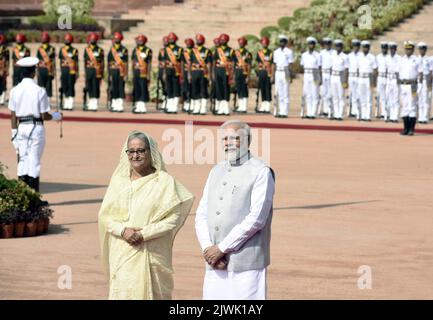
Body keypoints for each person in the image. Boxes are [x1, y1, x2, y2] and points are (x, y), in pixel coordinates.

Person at [98, 131, 194, 299]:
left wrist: (143, 234)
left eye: (141, 151)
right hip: (123, 252)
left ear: (151, 152)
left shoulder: (164, 181)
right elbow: (105, 217)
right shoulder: (119, 181)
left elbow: (173, 218)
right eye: (131, 151)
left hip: (151, 254)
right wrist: (123, 231)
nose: (136, 155)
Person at [195, 119, 275, 300]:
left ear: (247, 141)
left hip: (246, 262)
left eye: (235, 138)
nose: (228, 143)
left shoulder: (261, 171)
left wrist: (222, 248)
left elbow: (257, 219)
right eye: (225, 139)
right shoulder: (216, 170)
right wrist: (209, 249)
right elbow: (201, 214)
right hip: (215, 262)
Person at [8, 57, 62, 192]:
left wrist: (14, 133)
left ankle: (22, 195)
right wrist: (57, 116)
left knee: (23, 160)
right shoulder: (39, 91)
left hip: (21, 127)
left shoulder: (14, 91)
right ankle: (34, 196)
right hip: (36, 126)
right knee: (34, 161)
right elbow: (44, 115)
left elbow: (13, 115)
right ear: (34, 72)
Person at [399, 41, 422, 135]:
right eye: (406, 49)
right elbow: (398, 72)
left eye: (410, 49)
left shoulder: (416, 60)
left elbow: (420, 74)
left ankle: (411, 129)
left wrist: (419, 85)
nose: (408, 51)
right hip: (403, 84)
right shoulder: (401, 59)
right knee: (404, 106)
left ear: (413, 49)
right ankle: (405, 128)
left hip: (412, 85)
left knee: (412, 106)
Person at [213, 33, 235, 116]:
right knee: (219, 89)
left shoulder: (231, 50)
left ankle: (226, 108)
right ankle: (220, 108)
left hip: (227, 72)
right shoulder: (217, 50)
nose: (221, 41)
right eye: (221, 39)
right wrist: (213, 73)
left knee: (226, 88)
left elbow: (233, 63)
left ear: (226, 40)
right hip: (218, 70)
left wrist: (232, 74)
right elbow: (214, 62)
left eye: (223, 40)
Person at [190, 33, 212, 115]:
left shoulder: (206, 51)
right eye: (197, 39)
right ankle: (196, 108)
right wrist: (189, 74)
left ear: (202, 41)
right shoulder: (193, 51)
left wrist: (209, 74)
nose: (198, 41)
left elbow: (209, 63)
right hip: (194, 72)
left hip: (203, 73)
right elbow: (190, 63)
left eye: (199, 39)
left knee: (203, 90)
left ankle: (203, 108)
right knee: (195, 90)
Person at [300, 36, 321, 119]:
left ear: (314, 45)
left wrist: (320, 78)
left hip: (315, 73)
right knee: (308, 94)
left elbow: (319, 67)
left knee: (315, 94)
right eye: (309, 44)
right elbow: (302, 66)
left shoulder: (318, 55)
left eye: (312, 44)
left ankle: (313, 113)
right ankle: (309, 112)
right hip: (307, 74)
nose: (310, 45)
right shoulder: (304, 55)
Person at [272, 34, 293, 118]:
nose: (282, 43)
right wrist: (273, 76)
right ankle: (280, 111)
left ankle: (285, 112)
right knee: (279, 92)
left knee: (285, 92)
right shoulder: (276, 52)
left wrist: (290, 76)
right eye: (281, 41)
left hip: (286, 71)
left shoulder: (289, 52)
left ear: (286, 42)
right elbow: (274, 64)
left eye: (283, 42)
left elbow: (290, 65)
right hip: (278, 72)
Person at [108, 32, 128, 112]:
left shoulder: (124, 49)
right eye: (115, 38)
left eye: (118, 38)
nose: (116, 39)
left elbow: (126, 62)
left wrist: (126, 74)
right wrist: (109, 74)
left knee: (120, 87)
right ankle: (114, 103)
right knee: (113, 87)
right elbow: (109, 62)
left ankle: (120, 104)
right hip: (113, 71)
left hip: (121, 71)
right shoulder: (111, 49)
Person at [163, 32, 183, 113]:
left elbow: (181, 62)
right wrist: (164, 72)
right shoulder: (166, 49)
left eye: (172, 38)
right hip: (168, 70)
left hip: (176, 71)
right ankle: (169, 106)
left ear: (175, 39)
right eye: (170, 38)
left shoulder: (179, 49)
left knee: (176, 88)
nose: (171, 39)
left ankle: (175, 106)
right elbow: (164, 62)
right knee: (169, 88)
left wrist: (181, 73)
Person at [131, 34, 152, 114]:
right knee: (137, 89)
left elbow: (149, 63)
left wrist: (148, 75)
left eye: (141, 40)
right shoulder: (135, 50)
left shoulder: (147, 50)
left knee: (143, 89)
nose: (139, 41)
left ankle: (142, 106)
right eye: (138, 40)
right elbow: (133, 62)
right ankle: (138, 106)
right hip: (136, 72)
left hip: (143, 73)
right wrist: (132, 73)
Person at [84, 32, 104, 111]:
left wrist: (102, 72)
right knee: (89, 86)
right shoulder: (87, 49)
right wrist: (85, 71)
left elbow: (102, 62)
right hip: (89, 70)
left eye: (93, 39)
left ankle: (95, 103)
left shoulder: (100, 50)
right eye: (91, 39)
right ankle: (90, 102)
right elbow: (85, 61)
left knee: (96, 86)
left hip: (97, 70)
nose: (92, 40)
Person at [357, 40, 377, 121]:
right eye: (364, 47)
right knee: (362, 97)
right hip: (361, 78)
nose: (365, 49)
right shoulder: (359, 56)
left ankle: (368, 116)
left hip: (368, 78)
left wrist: (374, 82)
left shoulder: (372, 57)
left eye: (366, 47)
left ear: (369, 48)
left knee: (369, 97)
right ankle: (362, 115)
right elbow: (358, 69)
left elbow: (375, 70)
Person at [59, 33, 79, 111]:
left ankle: (70, 103)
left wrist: (77, 72)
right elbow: (61, 61)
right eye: (65, 39)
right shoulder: (62, 50)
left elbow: (76, 62)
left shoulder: (74, 50)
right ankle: (66, 102)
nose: (66, 40)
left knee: (71, 86)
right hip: (64, 70)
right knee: (64, 86)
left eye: (68, 39)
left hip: (72, 71)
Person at [330, 39, 348, 120]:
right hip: (333, 76)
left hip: (340, 76)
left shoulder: (344, 56)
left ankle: (340, 114)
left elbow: (346, 69)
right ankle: (336, 113)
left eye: (339, 46)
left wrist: (345, 81)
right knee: (334, 96)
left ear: (342, 47)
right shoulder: (332, 55)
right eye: (336, 46)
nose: (338, 48)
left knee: (341, 96)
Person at [233, 37, 252, 113]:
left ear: (244, 44)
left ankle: (244, 107)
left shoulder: (248, 53)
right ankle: (240, 106)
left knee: (244, 90)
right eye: (240, 43)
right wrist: (233, 75)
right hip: (237, 72)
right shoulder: (235, 52)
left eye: (242, 43)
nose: (241, 44)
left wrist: (248, 76)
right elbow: (234, 64)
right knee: (239, 89)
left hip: (244, 73)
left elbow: (250, 65)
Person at [255, 37, 273, 114]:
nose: (264, 44)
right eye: (263, 43)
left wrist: (272, 74)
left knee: (267, 88)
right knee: (262, 88)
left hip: (268, 72)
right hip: (261, 72)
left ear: (268, 44)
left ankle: (267, 105)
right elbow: (257, 63)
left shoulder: (271, 52)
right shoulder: (259, 52)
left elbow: (272, 64)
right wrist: (257, 73)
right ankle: (263, 104)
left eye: (265, 43)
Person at [385, 42, 401, 123]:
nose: (391, 50)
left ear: (395, 49)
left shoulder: (399, 58)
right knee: (389, 98)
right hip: (388, 79)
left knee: (396, 98)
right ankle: (391, 116)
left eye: (393, 49)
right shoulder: (387, 58)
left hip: (395, 79)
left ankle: (395, 117)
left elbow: (399, 71)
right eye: (390, 49)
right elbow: (386, 70)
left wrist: (398, 81)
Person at [36, 32, 55, 99]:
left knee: (48, 85)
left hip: (48, 69)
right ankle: (41, 99)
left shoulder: (52, 49)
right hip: (41, 69)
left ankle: (48, 99)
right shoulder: (39, 49)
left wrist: (53, 72)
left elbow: (53, 61)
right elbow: (37, 60)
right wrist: (37, 70)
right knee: (40, 85)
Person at [417, 42, 432, 124]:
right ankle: (420, 117)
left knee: (425, 99)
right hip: (419, 81)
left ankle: (425, 117)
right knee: (419, 99)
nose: (422, 51)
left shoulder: (429, 59)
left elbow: (430, 71)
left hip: (426, 80)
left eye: (423, 49)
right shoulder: (416, 59)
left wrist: (429, 84)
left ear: (425, 50)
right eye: (420, 49)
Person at [318, 37, 334, 116]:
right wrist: (319, 76)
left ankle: (329, 110)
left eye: (329, 44)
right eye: (326, 44)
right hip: (323, 73)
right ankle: (324, 110)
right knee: (323, 92)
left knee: (330, 92)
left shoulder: (334, 52)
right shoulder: (321, 53)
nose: (327, 45)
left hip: (331, 73)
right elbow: (319, 66)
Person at [347, 39, 361, 117]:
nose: (356, 48)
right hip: (351, 76)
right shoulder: (349, 56)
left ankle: (355, 111)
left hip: (358, 76)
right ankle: (350, 111)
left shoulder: (361, 55)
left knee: (357, 94)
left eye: (357, 46)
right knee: (350, 93)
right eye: (354, 46)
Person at [376, 42, 388, 119]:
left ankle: (388, 112)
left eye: (385, 48)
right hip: (380, 77)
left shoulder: (389, 57)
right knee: (381, 96)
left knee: (388, 96)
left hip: (387, 77)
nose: (384, 50)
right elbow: (376, 68)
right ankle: (383, 112)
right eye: (382, 48)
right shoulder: (378, 57)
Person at [182, 38, 194, 113]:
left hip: (193, 72)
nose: (188, 44)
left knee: (192, 88)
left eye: (189, 43)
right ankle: (186, 103)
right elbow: (182, 62)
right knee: (185, 89)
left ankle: (192, 103)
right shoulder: (184, 52)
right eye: (187, 43)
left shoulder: (195, 52)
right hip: (185, 71)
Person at [157, 36, 169, 111]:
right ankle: (164, 100)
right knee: (163, 87)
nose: (164, 42)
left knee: (168, 86)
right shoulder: (161, 50)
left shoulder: (170, 50)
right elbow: (160, 61)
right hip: (161, 70)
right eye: (164, 41)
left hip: (168, 70)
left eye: (166, 41)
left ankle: (168, 102)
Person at [0, 34, 9, 106]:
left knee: (3, 84)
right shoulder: (5, 49)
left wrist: (5, 69)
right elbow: (6, 60)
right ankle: (1, 100)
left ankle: (2, 100)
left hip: (2, 68)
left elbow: (6, 60)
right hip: (2, 68)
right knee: (2, 84)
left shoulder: (5, 49)